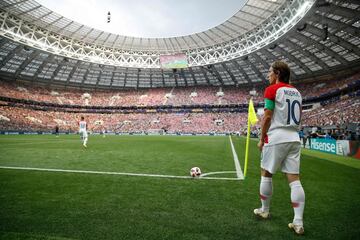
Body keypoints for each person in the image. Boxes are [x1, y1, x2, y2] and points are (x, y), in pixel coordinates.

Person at [254, 61, 305, 235]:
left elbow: (267, 117)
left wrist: (262, 139)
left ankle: (264, 210)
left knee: (266, 173)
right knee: (294, 179)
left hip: (276, 136)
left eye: (269, 72)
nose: (268, 75)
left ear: (277, 73)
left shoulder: (271, 90)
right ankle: (298, 222)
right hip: (294, 137)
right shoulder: (297, 92)